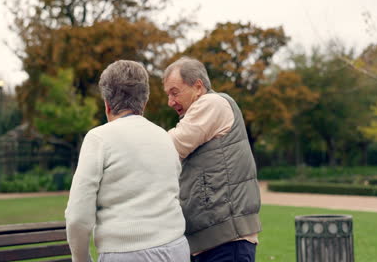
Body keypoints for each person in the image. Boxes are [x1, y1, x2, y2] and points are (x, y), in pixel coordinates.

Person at [65, 60, 189, 262]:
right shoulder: (165, 137)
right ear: (144, 101)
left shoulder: (99, 139)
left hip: (126, 252)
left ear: (106, 104)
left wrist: (81, 259)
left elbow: (77, 217)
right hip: (176, 248)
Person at [162, 56, 261, 262]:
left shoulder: (213, 103)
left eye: (175, 93)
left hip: (226, 241)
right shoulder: (203, 114)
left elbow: (170, 147)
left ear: (198, 87)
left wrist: (133, 135)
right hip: (214, 241)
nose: (170, 102)